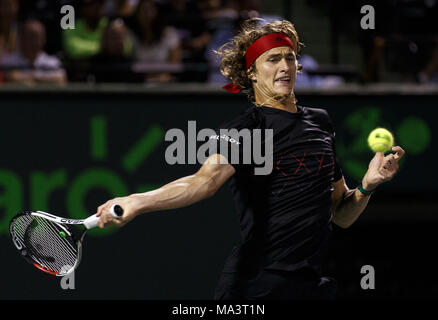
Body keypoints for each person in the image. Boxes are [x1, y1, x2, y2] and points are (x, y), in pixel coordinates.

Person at [95, 18, 405, 300]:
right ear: (252, 73)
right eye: (273, 59)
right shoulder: (248, 128)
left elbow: (341, 214)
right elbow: (203, 181)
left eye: (290, 57)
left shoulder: (320, 122)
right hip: (255, 286)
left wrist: (366, 186)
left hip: (309, 287)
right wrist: (137, 201)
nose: (284, 65)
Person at [0, 19, 67, 85]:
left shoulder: (52, 62)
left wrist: (31, 79)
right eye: (31, 37)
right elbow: (9, 77)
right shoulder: (8, 61)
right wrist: (45, 80)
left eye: (38, 37)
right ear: (22, 38)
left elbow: (60, 79)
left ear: (44, 39)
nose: (34, 42)